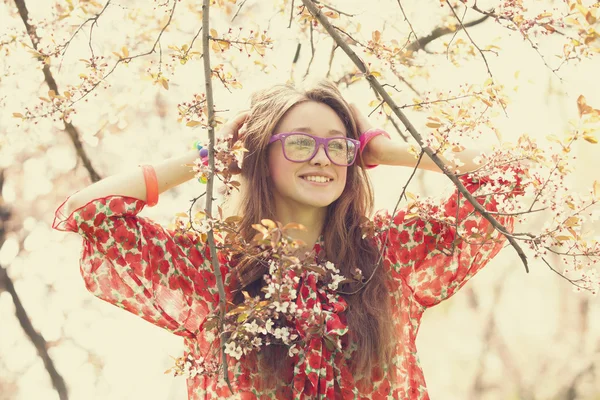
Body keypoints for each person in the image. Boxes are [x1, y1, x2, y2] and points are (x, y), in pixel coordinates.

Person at [52, 80, 525, 399]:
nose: (321, 157)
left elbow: (513, 172)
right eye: (300, 142)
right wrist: (210, 156)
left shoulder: (390, 252)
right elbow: (88, 212)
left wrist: (382, 147)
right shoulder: (211, 269)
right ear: (259, 154)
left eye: (337, 144)